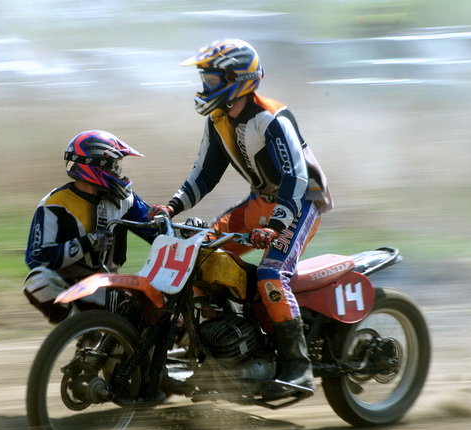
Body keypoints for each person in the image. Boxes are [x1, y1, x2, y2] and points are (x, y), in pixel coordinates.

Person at [149, 39, 333, 393]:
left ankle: (298, 366)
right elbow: (205, 173)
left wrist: (276, 225)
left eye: (213, 80)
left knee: (271, 273)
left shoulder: (272, 117)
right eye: (205, 80)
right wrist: (171, 207)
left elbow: (294, 177)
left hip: (300, 203)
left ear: (239, 79)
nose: (205, 87)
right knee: (201, 259)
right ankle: (226, 350)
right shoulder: (218, 120)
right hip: (260, 202)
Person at [24, 130, 156, 323]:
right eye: (113, 166)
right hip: (70, 285)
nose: (118, 172)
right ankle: (76, 327)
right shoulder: (55, 203)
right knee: (37, 281)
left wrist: (184, 229)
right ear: (95, 166)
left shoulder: (125, 199)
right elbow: (37, 258)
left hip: (109, 284)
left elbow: (155, 230)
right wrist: (87, 243)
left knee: (159, 309)